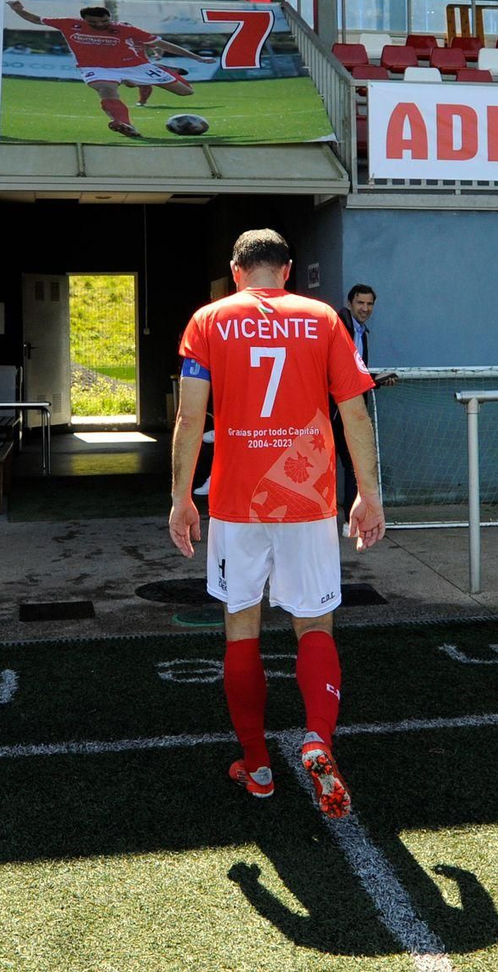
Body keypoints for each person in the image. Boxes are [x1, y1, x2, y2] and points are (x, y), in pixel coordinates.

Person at [170, 229, 384, 819]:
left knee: (240, 624)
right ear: (286, 271)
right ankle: (317, 738)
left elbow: (190, 419)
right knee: (313, 622)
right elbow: (354, 414)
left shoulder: (209, 320)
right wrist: (368, 495)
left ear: (236, 273)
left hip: (238, 502)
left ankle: (257, 763)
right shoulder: (323, 318)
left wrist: (181, 497)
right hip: (309, 498)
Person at [5, 0, 206, 139]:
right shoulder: (69, 24)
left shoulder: (125, 28)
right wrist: (18, 9)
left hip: (134, 65)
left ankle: (160, 69)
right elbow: (36, 19)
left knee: (186, 92)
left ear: (110, 17)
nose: (100, 25)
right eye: (94, 22)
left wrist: (195, 57)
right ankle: (126, 124)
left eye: (104, 21)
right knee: (106, 89)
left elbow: (163, 44)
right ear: (84, 20)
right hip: (96, 68)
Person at [332, 284, 396, 517]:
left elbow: (355, 372)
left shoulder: (360, 332)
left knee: (351, 464)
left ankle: (351, 516)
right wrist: (374, 380)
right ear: (350, 303)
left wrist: (374, 379)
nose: (365, 308)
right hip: (336, 410)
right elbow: (343, 373)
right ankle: (348, 517)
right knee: (348, 463)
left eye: (369, 304)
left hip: (349, 408)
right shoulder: (342, 327)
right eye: (360, 303)